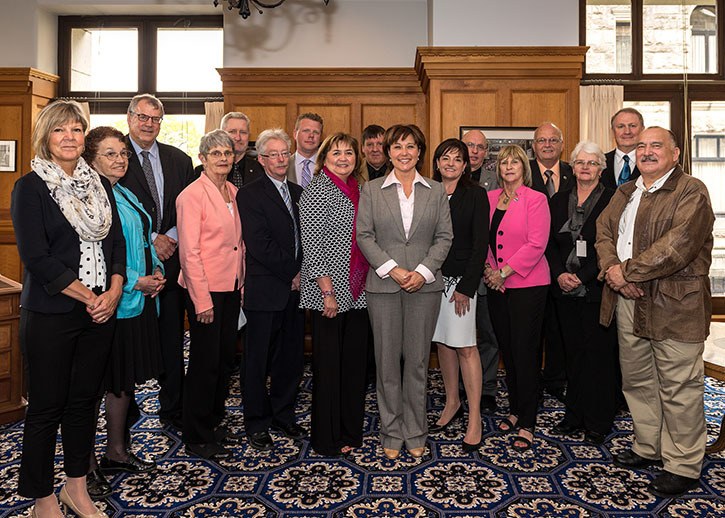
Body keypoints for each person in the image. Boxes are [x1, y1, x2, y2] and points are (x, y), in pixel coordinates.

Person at [11, 100, 125, 518]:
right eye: (60, 130)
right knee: (46, 408)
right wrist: (90, 296)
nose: (70, 137)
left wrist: (113, 291)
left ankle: (76, 488)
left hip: (98, 313)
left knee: (83, 404)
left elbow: (116, 245)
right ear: (46, 136)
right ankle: (42, 499)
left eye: (77, 130)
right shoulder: (31, 188)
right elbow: (37, 258)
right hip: (51, 315)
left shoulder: (102, 186)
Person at [596, 127, 715, 498]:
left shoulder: (691, 191)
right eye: (642, 146)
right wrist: (615, 272)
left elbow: (676, 246)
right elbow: (602, 230)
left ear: (675, 153)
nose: (646, 151)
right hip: (628, 300)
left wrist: (624, 273)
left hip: (675, 304)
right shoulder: (627, 190)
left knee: (679, 385)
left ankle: (683, 465)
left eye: (656, 145)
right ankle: (649, 446)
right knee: (638, 379)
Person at [357, 124, 453, 460]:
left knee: (416, 364)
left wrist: (423, 272)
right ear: (388, 152)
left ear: (419, 152)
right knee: (386, 363)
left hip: (424, 288)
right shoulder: (371, 190)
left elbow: (444, 237)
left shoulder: (436, 191)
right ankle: (391, 430)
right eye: (397, 146)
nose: (403, 152)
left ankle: (415, 430)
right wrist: (394, 270)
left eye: (410, 146)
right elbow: (365, 236)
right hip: (383, 286)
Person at [82, 127, 163, 499]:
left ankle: (116, 451)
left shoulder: (124, 191)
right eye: (111, 154)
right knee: (92, 387)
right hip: (104, 303)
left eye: (123, 154)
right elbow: (97, 254)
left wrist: (157, 274)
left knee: (122, 380)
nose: (120, 160)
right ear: (90, 158)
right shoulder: (89, 198)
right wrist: (135, 280)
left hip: (135, 304)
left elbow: (145, 239)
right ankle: (83, 466)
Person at [120, 94, 195, 432]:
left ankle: (174, 407)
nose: (148, 124)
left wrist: (171, 237)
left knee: (171, 338)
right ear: (130, 117)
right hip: (130, 265)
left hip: (172, 263)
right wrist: (154, 239)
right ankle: (126, 410)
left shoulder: (179, 159)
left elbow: (186, 207)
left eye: (155, 118)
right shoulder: (112, 155)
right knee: (130, 337)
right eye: (142, 117)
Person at [299, 133, 369, 457]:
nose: (343, 158)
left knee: (353, 367)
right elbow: (313, 247)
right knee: (329, 368)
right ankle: (327, 437)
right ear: (324, 158)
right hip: (329, 293)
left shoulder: (360, 190)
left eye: (349, 153)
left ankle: (350, 431)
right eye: (336, 153)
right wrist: (327, 290)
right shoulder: (316, 191)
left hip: (360, 292)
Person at [176, 129, 245, 459]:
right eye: (215, 153)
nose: (223, 158)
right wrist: (201, 300)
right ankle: (197, 434)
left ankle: (214, 420)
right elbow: (189, 252)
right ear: (202, 158)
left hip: (230, 286)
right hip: (205, 289)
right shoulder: (191, 195)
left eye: (227, 153)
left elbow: (237, 244)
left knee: (223, 360)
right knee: (204, 363)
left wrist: (241, 284)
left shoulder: (232, 190)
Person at [544, 141, 617, 446]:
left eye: (592, 163)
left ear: (601, 169)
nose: (585, 168)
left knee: (599, 358)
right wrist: (560, 274)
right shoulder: (558, 200)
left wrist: (581, 277)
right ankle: (573, 416)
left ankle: (598, 421)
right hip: (564, 291)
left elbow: (613, 244)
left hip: (597, 289)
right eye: (580, 162)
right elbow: (548, 243)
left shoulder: (613, 199)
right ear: (571, 167)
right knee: (572, 356)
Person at [238, 128, 306, 451]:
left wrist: (302, 271)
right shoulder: (249, 195)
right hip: (265, 290)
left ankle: (284, 414)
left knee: (290, 358)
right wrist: (292, 271)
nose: (280, 159)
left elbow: (307, 239)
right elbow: (260, 245)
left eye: (284, 154)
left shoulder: (298, 192)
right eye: (273, 154)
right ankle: (256, 422)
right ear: (262, 159)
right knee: (257, 360)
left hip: (296, 291)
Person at [483, 144, 550, 453]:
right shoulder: (491, 198)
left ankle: (528, 421)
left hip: (528, 285)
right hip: (497, 287)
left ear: (525, 167)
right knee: (507, 351)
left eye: (515, 162)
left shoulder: (535, 200)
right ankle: (514, 408)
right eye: (504, 162)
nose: (509, 166)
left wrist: (504, 272)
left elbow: (537, 244)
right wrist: (488, 269)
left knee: (525, 352)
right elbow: (482, 239)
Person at [428, 138, 488, 453]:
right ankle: (452, 402)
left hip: (460, 284)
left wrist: (466, 286)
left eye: (457, 159)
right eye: (445, 158)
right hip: (430, 282)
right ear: (437, 163)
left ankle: (474, 416)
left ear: (465, 165)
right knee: (442, 343)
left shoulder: (475, 195)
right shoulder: (429, 191)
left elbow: (480, 245)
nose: (450, 163)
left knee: (465, 347)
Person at [529, 122, 573, 403]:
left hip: (564, 265)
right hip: (530, 265)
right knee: (531, 330)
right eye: (541, 140)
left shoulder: (573, 172)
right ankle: (530, 382)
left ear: (561, 144)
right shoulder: (523, 172)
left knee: (558, 327)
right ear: (533, 146)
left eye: (552, 140)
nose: (547, 145)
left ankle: (556, 380)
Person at [462, 129, 499, 414]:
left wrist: (490, 267)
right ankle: (461, 387)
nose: (474, 151)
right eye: (469, 146)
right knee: (457, 336)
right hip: (454, 273)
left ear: (486, 153)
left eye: (480, 147)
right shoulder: (444, 180)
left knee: (487, 334)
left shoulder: (496, 183)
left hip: (487, 271)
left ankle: (486, 388)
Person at [193, 112, 265, 189]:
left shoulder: (261, 169)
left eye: (243, 132)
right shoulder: (202, 171)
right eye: (232, 132)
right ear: (221, 134)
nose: (238, 138)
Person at [601, 108, 643, 189]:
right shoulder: (600, 162)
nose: (627, 131)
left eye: (632, 126)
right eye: (621, 126)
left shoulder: (651, 163)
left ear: (642, 129)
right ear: (613, 131)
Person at [287, 113, 324, 188]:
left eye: (316, 132)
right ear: (295, 134)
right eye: (306, 131)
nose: (311, 136)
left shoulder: (328, 166)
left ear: (321, 137)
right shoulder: (283, 165)